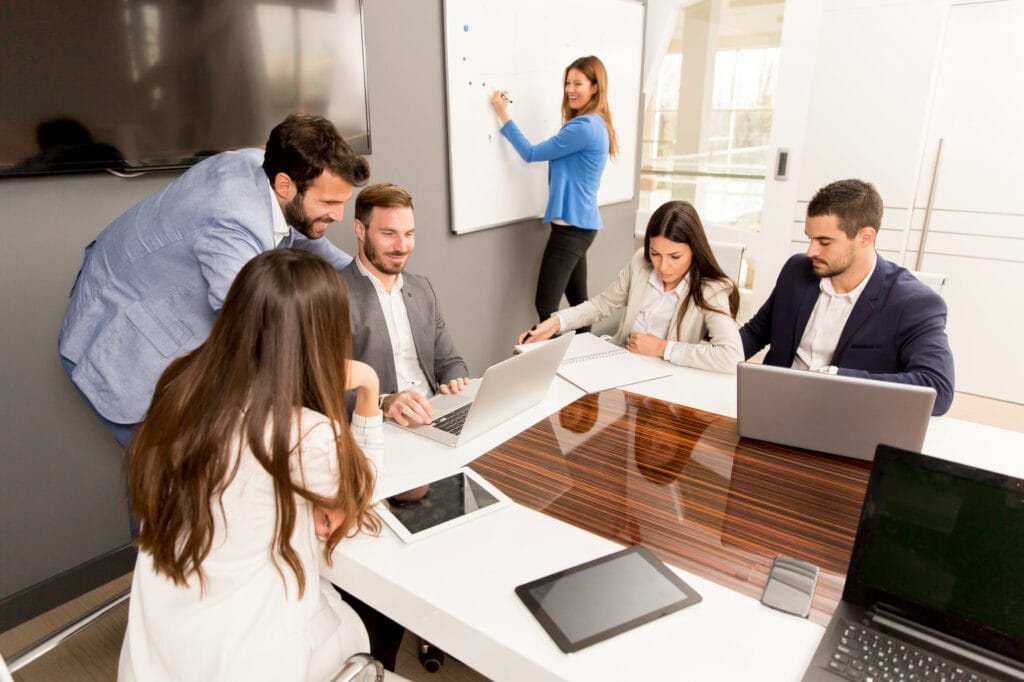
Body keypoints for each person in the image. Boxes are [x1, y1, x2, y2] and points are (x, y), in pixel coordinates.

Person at [118, 249, 383, 681]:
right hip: (246, 656)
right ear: (322, 336)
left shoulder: (181, 386)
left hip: (161, 643)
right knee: (354, 629)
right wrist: (368, 385)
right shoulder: (307, 434)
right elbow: (361, 490)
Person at [59, 114, 370, 446]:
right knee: (172, 485)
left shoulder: (264, 164)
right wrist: (339, 376)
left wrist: (362, 276)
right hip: (124, 344)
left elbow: (305, 231)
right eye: (329, 203)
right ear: (285, 185)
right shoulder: (231, 223)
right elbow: (251, 324)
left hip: (152, 301)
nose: (338, 215)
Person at [739, 178, 955, 415]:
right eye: (810, 238)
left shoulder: (914, 302)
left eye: (824, 242)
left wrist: (835, 378)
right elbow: (757, 332)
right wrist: (707, 354)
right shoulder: (797, 270)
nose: (811, 251)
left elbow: (937, 389)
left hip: (844, 418)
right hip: (772, 409)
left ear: (865, 237)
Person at [517, 200, 744, 374]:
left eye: (675, 256)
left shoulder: (712, 289)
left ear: (694, 250)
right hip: (620, 366)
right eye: (655, 254)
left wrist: (662, 348)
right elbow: (602, 305)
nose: (663, 266)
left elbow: (731, 356)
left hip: (668, 382)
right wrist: (556, 323)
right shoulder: (641, 262)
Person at [490, 55, 618, 327]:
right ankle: (581, 361)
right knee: (580, 305)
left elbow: (531, 153)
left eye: (578, 83)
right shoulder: (596, 124)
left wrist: (503, 114)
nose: (570, 89)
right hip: (579, 225)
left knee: (546, 305)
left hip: (571, 228)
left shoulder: (583, 128)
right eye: (568, 83)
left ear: (595, 87)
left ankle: (557, 363)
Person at [341, 183, 470, 427]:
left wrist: (456, 380)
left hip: (435, 416)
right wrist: (382, 403)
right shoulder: (332, 293)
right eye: (389, 234)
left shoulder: (422, 288)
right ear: (360, 229)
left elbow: (450, 362)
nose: (402, 246)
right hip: (380, 428)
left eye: (409, 234)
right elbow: (321, 388)